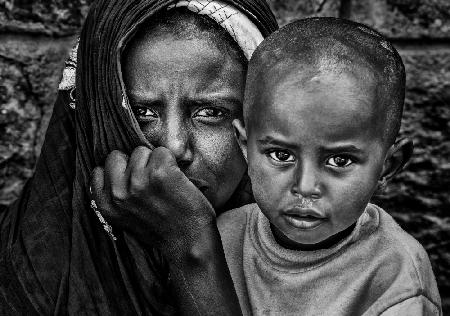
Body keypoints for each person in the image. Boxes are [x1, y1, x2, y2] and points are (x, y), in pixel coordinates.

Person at [0, 0, 277, 314]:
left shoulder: (326, 272)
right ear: (97, 121)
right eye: (141, 113)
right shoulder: (24, 280)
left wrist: (191, 243)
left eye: (211, 113)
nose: (173, 148)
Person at [218, 18, 442, 315]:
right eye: (281, 155)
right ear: (245, 147)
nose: (305, 186)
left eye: (340, 160)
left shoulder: (397, 282)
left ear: (388, 167)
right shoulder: (220, 240)